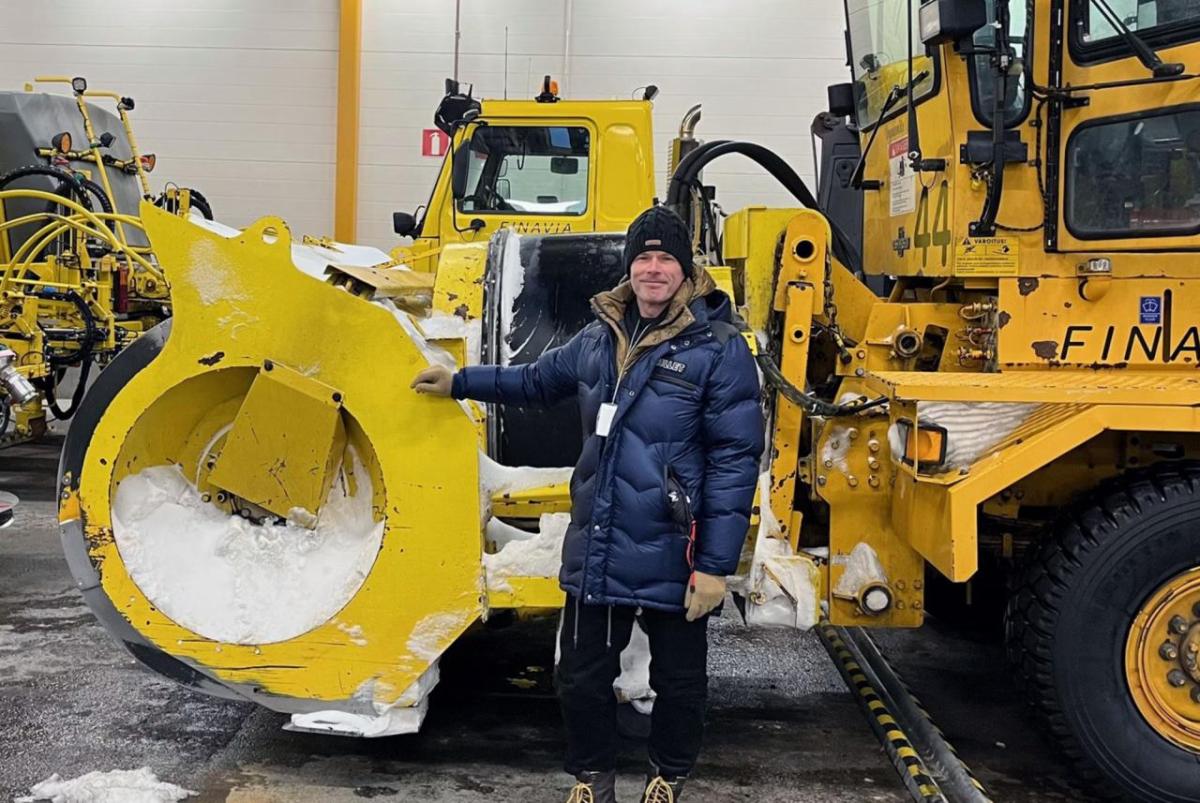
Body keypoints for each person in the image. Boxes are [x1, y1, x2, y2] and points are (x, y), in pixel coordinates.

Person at [412, 205, 763, 803]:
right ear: (630, 268)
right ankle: (591, 779)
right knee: (580, 677)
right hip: (598, 543)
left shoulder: (718, 350)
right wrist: (460, 382)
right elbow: (533, 381)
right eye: (644, 258)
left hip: (674, 549)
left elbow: (735, 462)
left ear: (685, 270)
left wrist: (714, 567)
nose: (654, 269)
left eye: (666, 259)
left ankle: (666, 778)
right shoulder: (600, 339)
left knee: (679, 682)